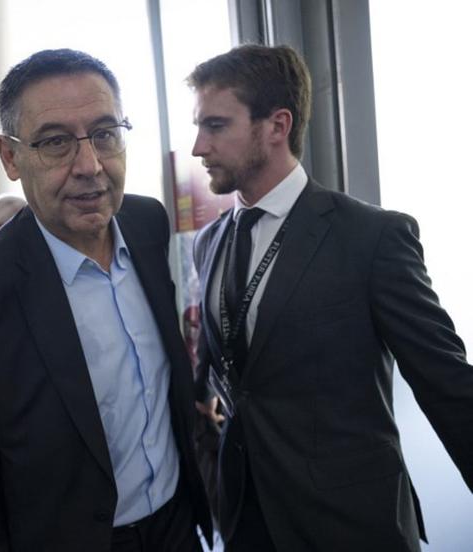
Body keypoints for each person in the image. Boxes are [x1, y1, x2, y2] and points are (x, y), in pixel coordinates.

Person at [188, 44, 473, 551]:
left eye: (215, 126)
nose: (198, 147)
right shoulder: (210, 242)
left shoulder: (371, 237)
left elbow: (446, 380)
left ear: (276, 126)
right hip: (246, 520)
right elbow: (222, 374)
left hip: (349, 522)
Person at [0, 48, 213, 551]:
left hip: (177, 527)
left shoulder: (147, 225)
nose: (90, 165)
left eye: (105, 134)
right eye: (56, 142)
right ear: (11, 157)